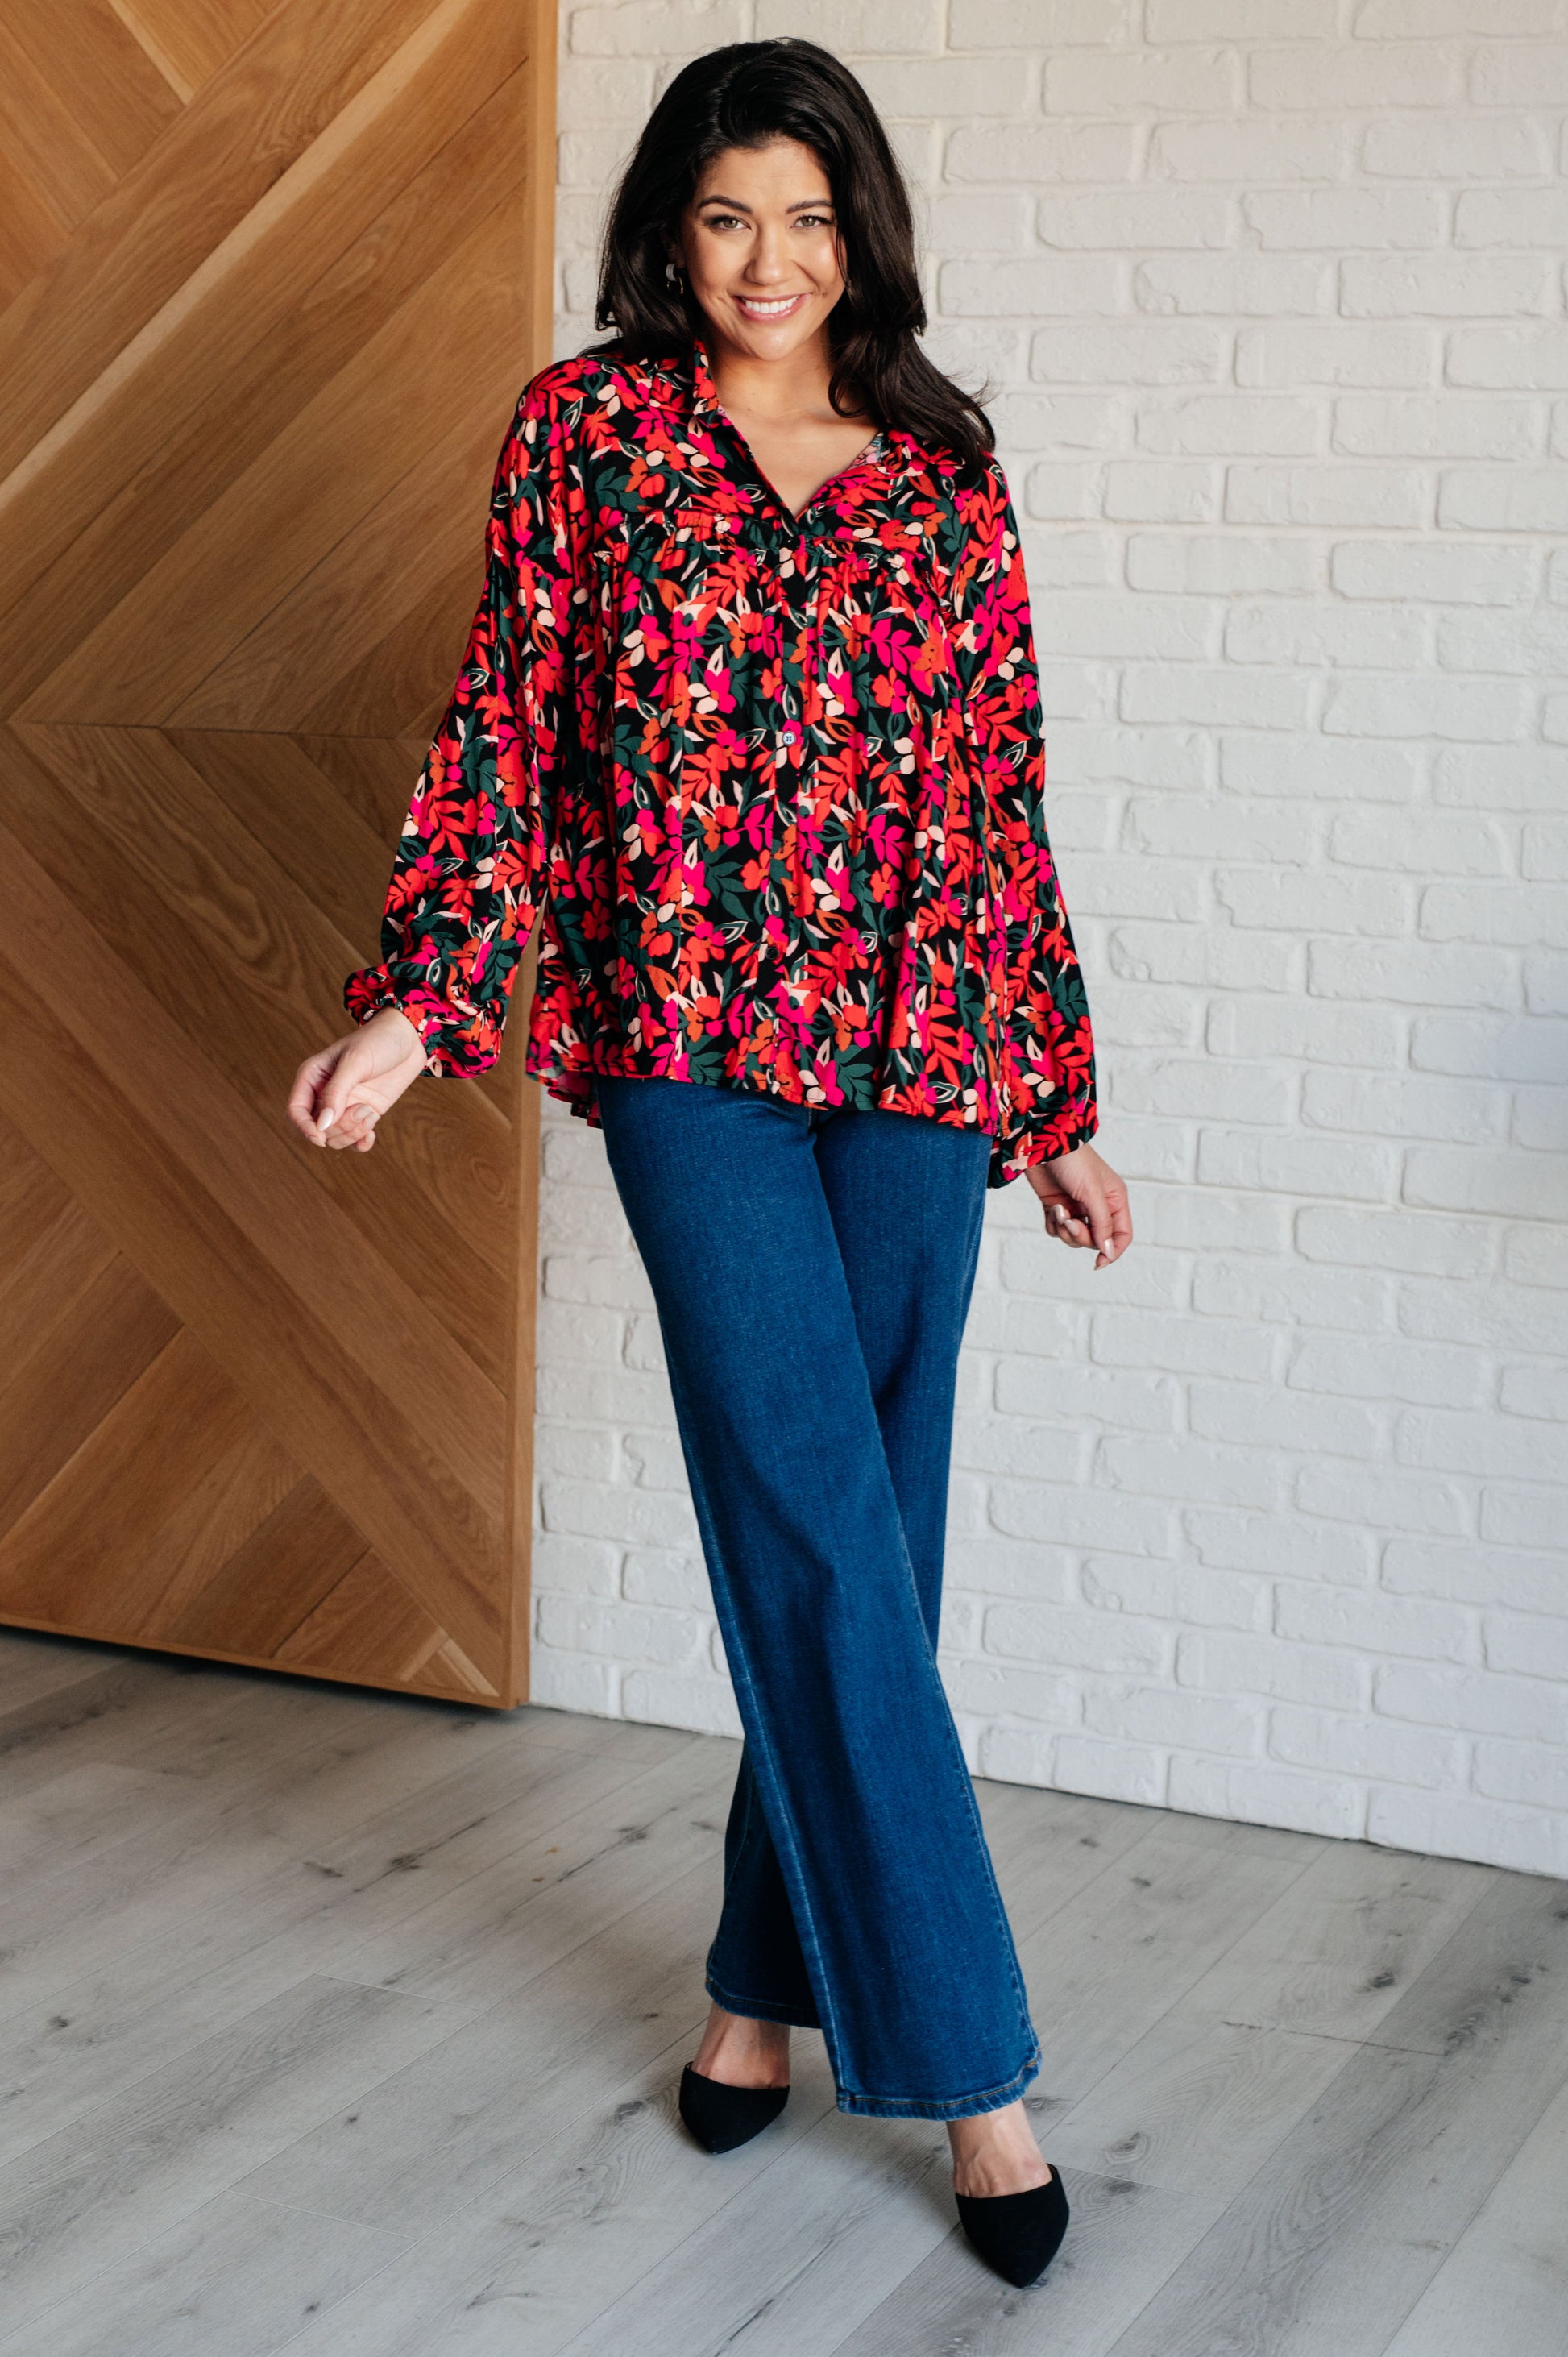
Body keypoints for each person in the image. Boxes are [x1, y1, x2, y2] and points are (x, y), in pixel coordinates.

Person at [287, 37, 1130, 2291]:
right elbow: (505, 728)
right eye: (728, 214)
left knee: (865, 1535)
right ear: (670, 222)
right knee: (809, 1524)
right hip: (689, 1050)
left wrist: (1046, 1095)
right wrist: (422, 1001)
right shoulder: (586, 435)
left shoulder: (945, 469)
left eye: (811, 217)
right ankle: (972, 2077)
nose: (767, 262)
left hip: (924, 1053)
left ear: (866, 234)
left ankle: (756, 1997)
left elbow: (993, 796)